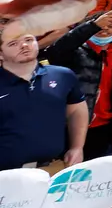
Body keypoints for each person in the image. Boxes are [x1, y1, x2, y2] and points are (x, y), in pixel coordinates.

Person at [40, 8, 112, 160]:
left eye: (110, 26)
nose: (105, 29)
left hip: (102, 130)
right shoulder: (73, 52)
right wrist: (92, 25)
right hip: (70, 128)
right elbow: (55, 50)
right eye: (101, 25)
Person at [0, 20, 86, 172]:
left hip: (53, 168)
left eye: (28, 40)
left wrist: (77, 147)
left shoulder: (63, 75)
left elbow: (76, 111)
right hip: (6, 174)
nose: (24, 46)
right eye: (13, 43)